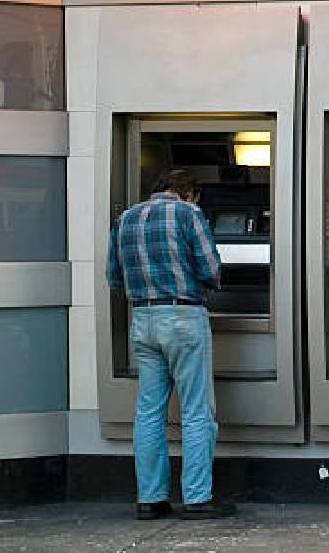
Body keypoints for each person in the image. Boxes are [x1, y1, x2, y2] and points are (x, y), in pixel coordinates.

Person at [106, 168, 234, 520]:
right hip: (182, 317)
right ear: (188, 193)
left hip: (143, 320)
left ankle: (150, 500)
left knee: (148, 411)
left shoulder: (125, 219)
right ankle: (197, 498)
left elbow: (114, 277)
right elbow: (211, 268)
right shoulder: (189, 214)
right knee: (196, 411)